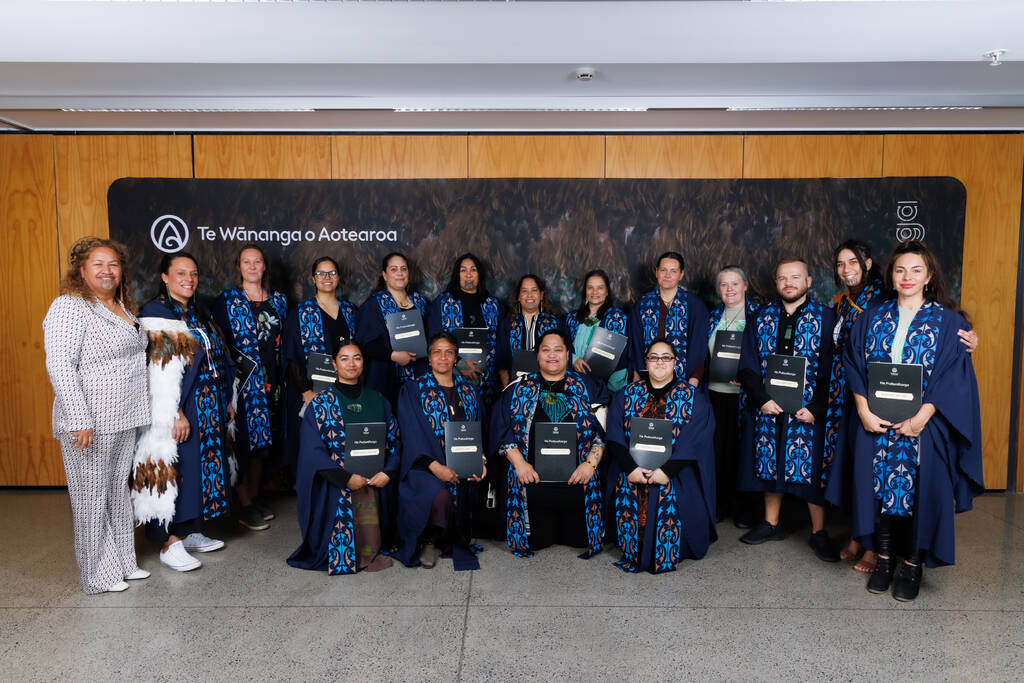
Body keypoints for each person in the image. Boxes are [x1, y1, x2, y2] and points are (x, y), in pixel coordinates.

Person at [824, 239, 979, 574]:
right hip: (876, 421)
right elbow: (853, 364)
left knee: (922, 491)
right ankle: (882, 558)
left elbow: (953, 374)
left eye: (916, 270)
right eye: (900, 270)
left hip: (924, 426)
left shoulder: (949, 323)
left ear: (929, 276)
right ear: (891, 276)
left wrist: (922, 418)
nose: (907, 277)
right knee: (876, 488)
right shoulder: (872, 318)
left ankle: (912, 564)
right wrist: (864, 412)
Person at [43, 237, 151, 594]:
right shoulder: (70, 306)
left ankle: (123, 563)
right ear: (82, 270)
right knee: (90, 496)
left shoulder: (121, 305)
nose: (108, 271)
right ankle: (97, 575)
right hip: (89, 420)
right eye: (98, 264)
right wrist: (79, 418)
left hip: (123, 416)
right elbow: (60, 365)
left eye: (114, 264)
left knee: (116, 490)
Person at [134, 253, 235, 572]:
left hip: (208, 404)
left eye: (193, 273)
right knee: (175, 468)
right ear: (164, 277)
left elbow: (218, 357)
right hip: (181, 405)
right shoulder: (157, 313)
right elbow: (159, 371)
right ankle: (169, 541)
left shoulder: (199, 311)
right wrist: (175, 412)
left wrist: (226, 399)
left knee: (196, 472)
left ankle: (190, 530)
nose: (189, 279)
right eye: (180, 273)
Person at [736, 257, 839, 562]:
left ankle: (819, 532)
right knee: (770, 462)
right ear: (776, 282)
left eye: (795, 277)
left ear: (809, 281)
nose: (789, 283)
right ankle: (771, 524)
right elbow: (748, 364)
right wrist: (761, 399)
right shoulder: (761, 317)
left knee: (812, 469)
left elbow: (833, 368)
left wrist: (817, 406)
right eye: (783, 278)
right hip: (770, 406)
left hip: (809, 410)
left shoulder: (827, 318)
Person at [605, 339, 717, 573]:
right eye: (653, 357)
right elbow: (615, 435)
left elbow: (696, 440)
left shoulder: (694, 398)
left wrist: (666, 472)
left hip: (674, 474)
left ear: (675, 362)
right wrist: (631, 469)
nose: (659, 362)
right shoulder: (626, 394)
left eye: (666, 357)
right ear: (645, 362)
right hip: (632, 472)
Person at [288, 341, 399, 575]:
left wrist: (387, 472)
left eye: (357, 358)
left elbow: (394, 441)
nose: (351, 364)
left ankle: (372, 548)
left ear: (363, 363)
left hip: (375, 479)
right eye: (344, 358)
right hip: (336, 480)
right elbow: (312, 451)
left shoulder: (378, 399)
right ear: (334, 364)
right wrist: (345, 478)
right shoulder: (320, 404)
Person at [493, 330, 606, 559]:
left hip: (578, 481)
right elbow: (501, 430)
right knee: (537, 540)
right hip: (531, 482)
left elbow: (603, 431)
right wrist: (520, 464)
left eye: (558, 350)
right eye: (546, 350)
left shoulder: (590, 387)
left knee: (578, 539)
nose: (552, 355)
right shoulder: (517, 389)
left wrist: (590, 465)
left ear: (567, 354)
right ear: (537, 355)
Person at [393, 332, 487, 570]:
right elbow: (411, 435)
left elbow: (477, 431)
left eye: (449, 352)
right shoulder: (413, 390)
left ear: (456, 358)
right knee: (439, 494)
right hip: (423, 464)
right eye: (437, 352)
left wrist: (480, 461)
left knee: (465, 490)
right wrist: (436, 467)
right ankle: (430, 539)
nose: (443, 357)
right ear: (429, 357)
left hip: (461, 464)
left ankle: (444, 537)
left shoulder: (469, 392)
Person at [213, 244, 288, 532]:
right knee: (243, 444)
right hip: (242, 385)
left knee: (263, 445)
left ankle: (254, 498)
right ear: (239, 267)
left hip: (273, 383)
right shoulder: (227, 301)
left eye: (257, 261)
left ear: (264, 266)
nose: (253, 266)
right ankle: (243, 503)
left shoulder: (279, 301)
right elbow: (220, 345)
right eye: (247, 262)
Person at [282, 256, 358, 474]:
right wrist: (306, 392)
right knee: (315, 448)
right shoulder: (300, 313)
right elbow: (291, 356)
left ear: (339, 277)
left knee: (343, 445)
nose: (327, 277)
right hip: (311, 393)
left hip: (344, 390)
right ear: (313, 278)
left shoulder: (350, 311)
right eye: (321, 273)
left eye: (332, 273)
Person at [705, 265, 762, 528]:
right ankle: (721, 505)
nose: (729, 289)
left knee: (744, 453)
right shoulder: (712, 317)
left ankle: (746, 509)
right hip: (715, 394)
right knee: (719, 452)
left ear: (745, 286)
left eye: (735, 283)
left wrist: (750, 379)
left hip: (745, 397)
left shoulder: (758, 316)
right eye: (724, 284)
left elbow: (765, 354)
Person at [427, 253, 504, 404]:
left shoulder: (494, 305)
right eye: (463, 270)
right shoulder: (442, 303)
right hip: (452, 377)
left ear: (480, 274)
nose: (468, 275)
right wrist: (460, 363)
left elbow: (501, 344)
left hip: (488, 381)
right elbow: (434, 340)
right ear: (457, 275)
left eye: (473, 270)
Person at [354, 252, 430, 406]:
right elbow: (366, 344)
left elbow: (431, 336)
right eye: (394, 269)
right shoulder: (373, 305)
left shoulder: (420, 302)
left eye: (403, 269)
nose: (400, 273)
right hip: (385, 379)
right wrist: (393, 355)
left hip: (419, 376)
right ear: (385, 275)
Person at [629, 251, 708, 385]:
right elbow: (635, 345)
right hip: (648, 380)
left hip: (683, 381)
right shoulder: (642, 305)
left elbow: (699, 348)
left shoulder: (695, 306)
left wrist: (693, 381)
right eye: (663, 270)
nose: (667, 275)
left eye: (673, 271)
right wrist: (637, 376)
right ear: (656, 272)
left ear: (681, 274)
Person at [565, 269, 630, 394]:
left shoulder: (618, 318)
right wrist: (573, 360)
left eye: (600, 288)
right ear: (585, 291)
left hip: (606, 385)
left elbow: (623, 354)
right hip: (574, 382)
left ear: (607, 292)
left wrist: (613, 389)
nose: (595, 292)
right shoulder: (571, 318)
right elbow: (562, 346)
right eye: (590, 287)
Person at [495, 274, 561, 388]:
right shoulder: (507, 325)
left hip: (548, 389)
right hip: (515, 387)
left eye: (534, 290)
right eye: (524, 291)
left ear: (541, 295)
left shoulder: (556, 324)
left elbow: (563, 359)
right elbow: (501, 361)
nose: (529, 295)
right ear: (518, 297)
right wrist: (509, 389)